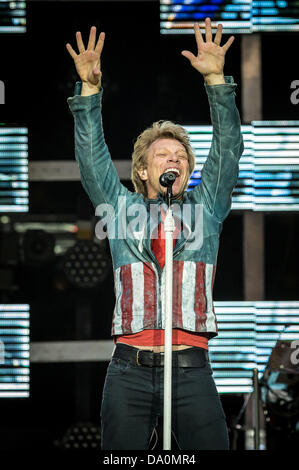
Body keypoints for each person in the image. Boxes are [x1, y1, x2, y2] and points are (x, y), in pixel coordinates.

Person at [66, 17, 244, 450]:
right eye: (162, 154)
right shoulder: (121, 207)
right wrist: (90, 92)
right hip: (129, 369)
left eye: (182, 156)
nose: (174, 159)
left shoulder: (208, 205)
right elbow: (92, 161)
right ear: (143, 170)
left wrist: (217, 81)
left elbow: (228, 147)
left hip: (191, 369)